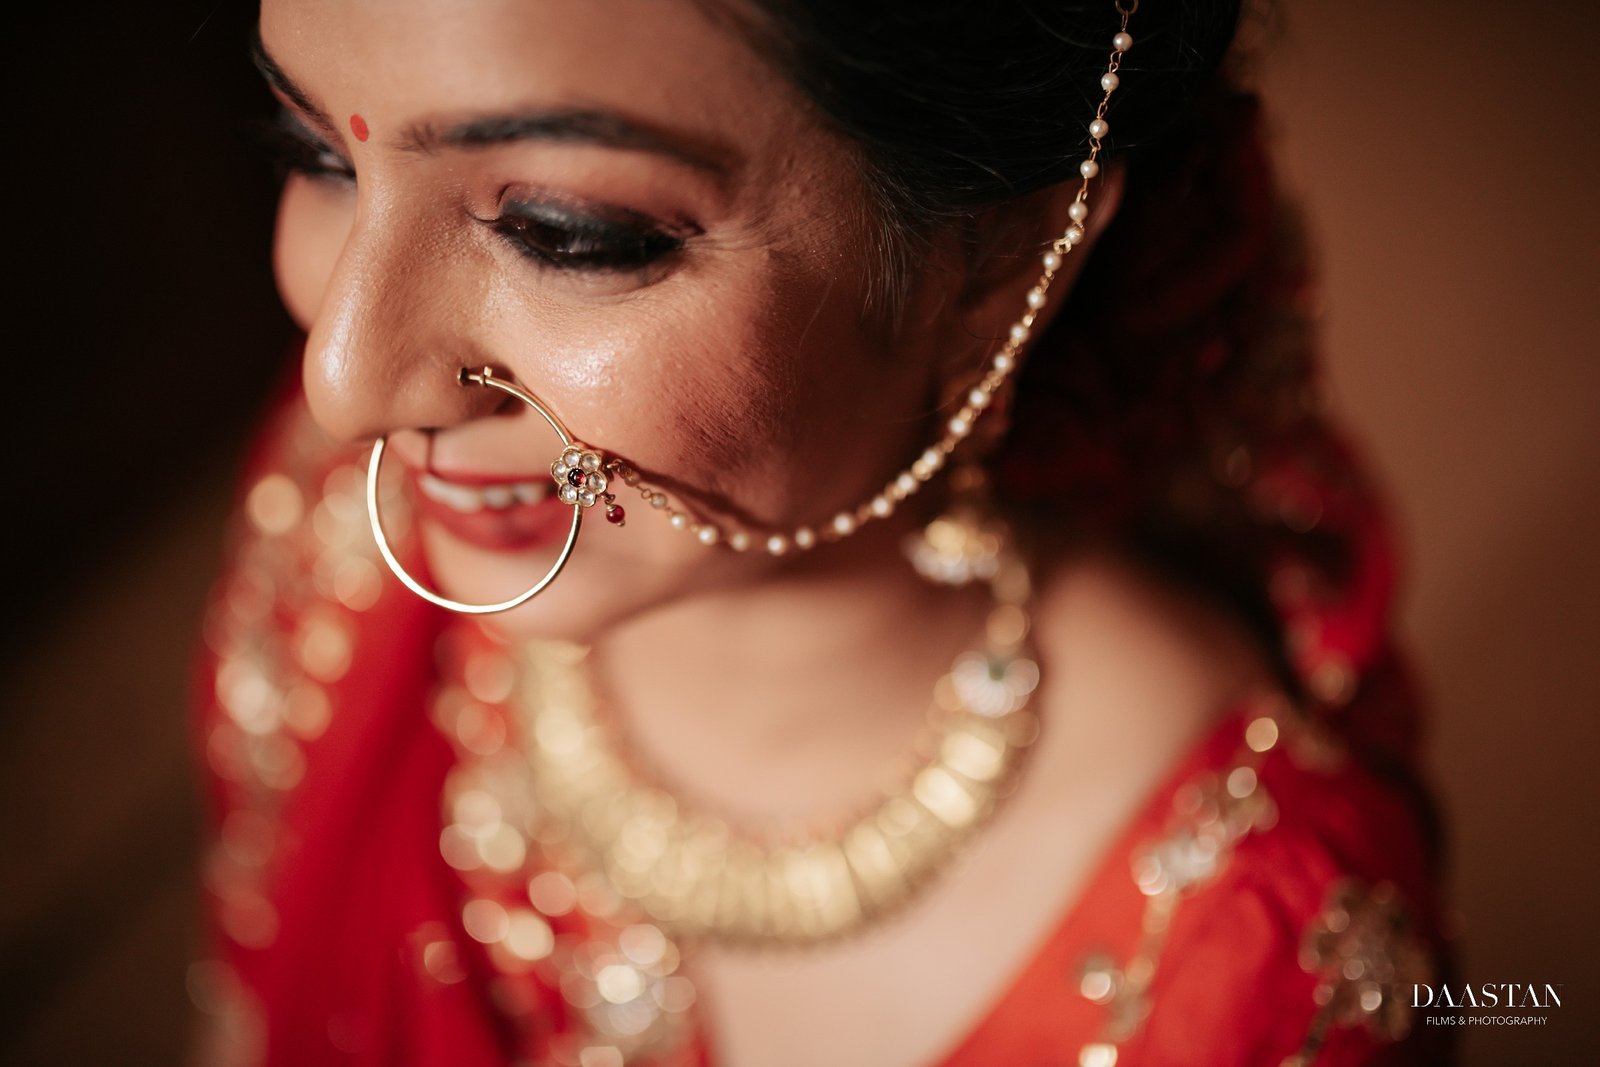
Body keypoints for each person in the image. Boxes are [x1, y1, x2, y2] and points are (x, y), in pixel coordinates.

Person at [190, 1, 1456, 1064]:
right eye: (316, 153)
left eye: (568, 233)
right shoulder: (353, 526)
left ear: (1005, 261)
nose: (344, 377)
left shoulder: (1242, 956)